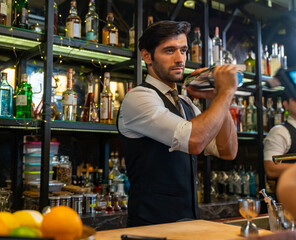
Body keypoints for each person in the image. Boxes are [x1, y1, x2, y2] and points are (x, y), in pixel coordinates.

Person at [117, 21, 239, 227]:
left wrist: (219, 98)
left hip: (188, 223)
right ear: (147, 56)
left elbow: (227, 150)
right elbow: (195, 141)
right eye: (169, 50)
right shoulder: (138, 98)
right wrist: (226, 93)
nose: (179, 59)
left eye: (183, 50)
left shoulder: (186, 103)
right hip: (150, 228)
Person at [263, 94, 296, 186]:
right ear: (286, 104)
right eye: (295, 99)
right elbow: (271, 168)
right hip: (290, 197)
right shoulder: (280, 132)